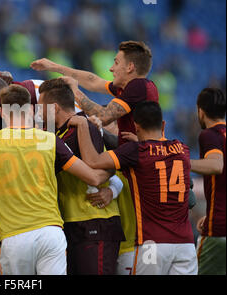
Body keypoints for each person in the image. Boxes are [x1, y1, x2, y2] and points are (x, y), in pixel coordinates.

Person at [0, 84, 113, 275]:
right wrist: (113, 172)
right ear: (30, 109)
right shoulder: (49, 140)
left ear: (2, 111)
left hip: (15, 236)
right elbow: (93, 177)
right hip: (50, 233)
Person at [68, 101, 197, 275]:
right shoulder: (183, 149)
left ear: (136, 126)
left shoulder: (136, 152)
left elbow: (93, 161)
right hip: (186, 245)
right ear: (164, 124)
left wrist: (84, 125)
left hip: (151, 245)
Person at [37, 78, 125, 275]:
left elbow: (97, 169)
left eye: (40, 107)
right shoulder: (58, 134)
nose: (38, 112)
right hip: (74, 223)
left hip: (95, 220)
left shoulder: (83, 126)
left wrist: (110, 182)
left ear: (54, 108)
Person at [31, 40, 159, 145]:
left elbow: (103, 117)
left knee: (90, 132)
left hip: (143, 160)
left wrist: (74, 91)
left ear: (130, 67)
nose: (111, 68)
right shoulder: (130, 88)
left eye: (116, 63)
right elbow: (93, 81)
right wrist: (54, 67)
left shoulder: (138, 86)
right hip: (137, 154)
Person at [190, 87, 226, 275]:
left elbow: (216, 165)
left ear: (200, 111)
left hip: (219, 230)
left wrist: (182, 162)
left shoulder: (209, 135)